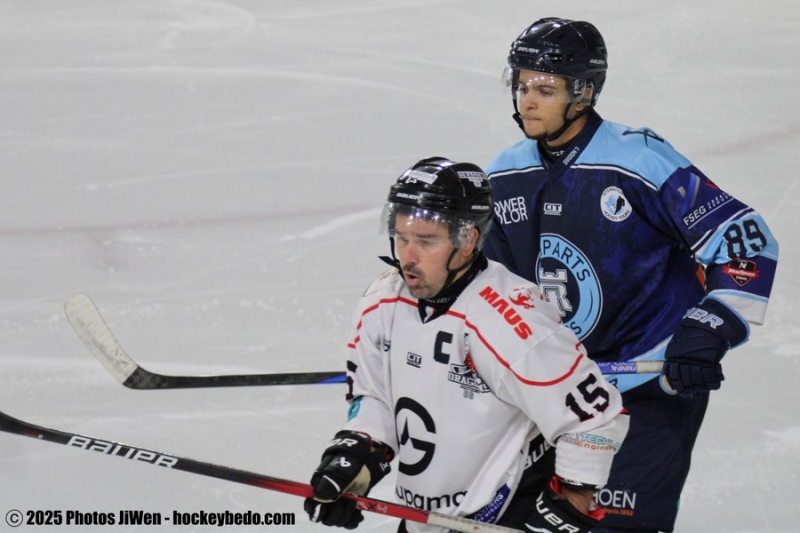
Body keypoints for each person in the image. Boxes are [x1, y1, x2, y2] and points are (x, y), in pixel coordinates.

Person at [483, 17, 779, 533]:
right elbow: (491, 287)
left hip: (648, 385)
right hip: (557, 391)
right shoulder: (506, 173)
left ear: (585, 92)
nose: (527, 99)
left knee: (616, 526)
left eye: (545, 88)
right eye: (522, 84)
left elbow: (744, 239)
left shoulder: (637, 160)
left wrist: (708, 327)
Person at [303, 157, 630, 533]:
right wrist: (356, 459)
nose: (407, 256)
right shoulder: (383, 299)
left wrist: (565, 511)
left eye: (425, 241)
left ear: (468, 239)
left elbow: (596, 419)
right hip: (424, 521)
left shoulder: (509, 320)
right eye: (402, 237)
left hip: (502, 515)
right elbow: (375, 397)